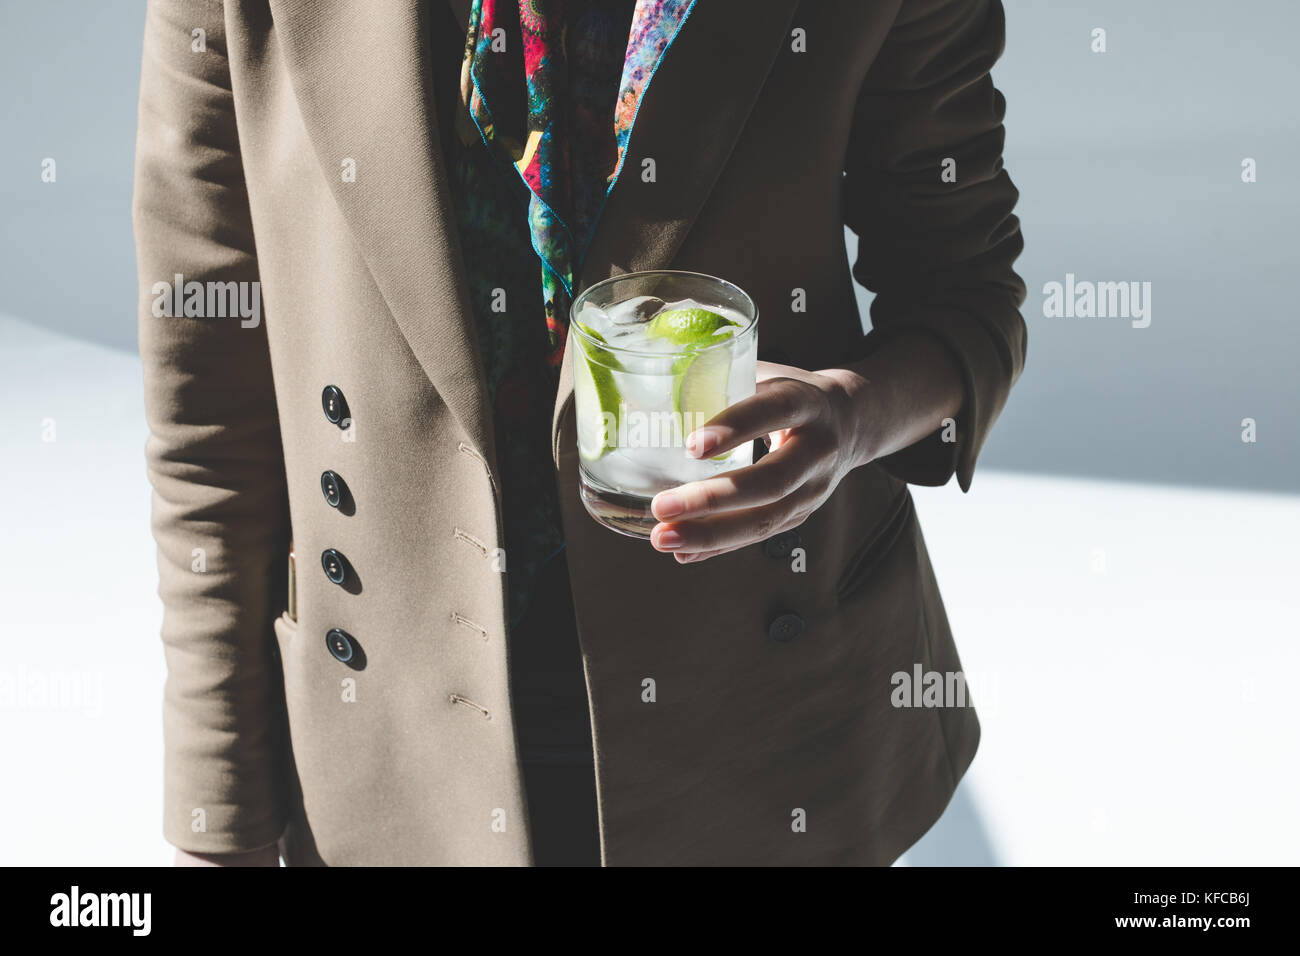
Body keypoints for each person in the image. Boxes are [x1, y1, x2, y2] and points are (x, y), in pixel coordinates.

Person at [134, 0, 1026, 866]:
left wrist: (853, 416)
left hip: (759, 719)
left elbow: (964, 289)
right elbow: (209, 402)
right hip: (396, 736)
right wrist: (220, 811)